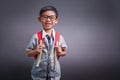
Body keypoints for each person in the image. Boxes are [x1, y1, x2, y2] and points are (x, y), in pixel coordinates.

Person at [26, 5, 67, 80]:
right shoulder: (36, 37)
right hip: (39, 73)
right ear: (39, 19)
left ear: (56, 20)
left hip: (54, 73)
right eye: (44, 17)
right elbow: (28, 53)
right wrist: (36, 51)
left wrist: (60, 52)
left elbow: (64, 52)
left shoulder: (59, 37)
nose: (48, 20)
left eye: (51, 17)